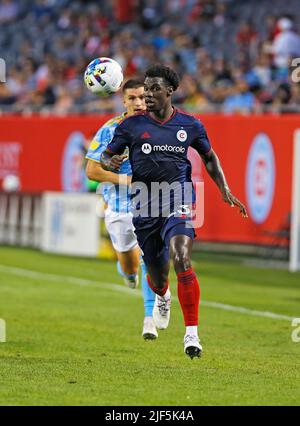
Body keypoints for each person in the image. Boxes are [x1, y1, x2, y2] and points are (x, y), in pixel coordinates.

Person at [100, 65, 248, 359]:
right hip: (143, 203)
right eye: (145, 88)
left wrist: (224, 188)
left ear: (169, 91)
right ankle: (162, 296)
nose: (147, 94)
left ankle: (191, 334)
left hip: (178, 197)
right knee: (156, 275)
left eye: (154, 88)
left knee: (181, 256)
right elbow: (107, 155)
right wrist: (109, 162)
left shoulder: (191, 125)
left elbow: (209, 157)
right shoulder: (130, 126)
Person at [86, 79, 159, 340]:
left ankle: (150, 318)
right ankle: (127, 272)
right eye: (133, 98)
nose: (139, 103)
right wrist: (124, 180)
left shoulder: (161, 126)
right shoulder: (110, 129)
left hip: (151, 202)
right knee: (129, 264)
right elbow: (92, 170)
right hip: (118, 206)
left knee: (152, 258)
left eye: (142, 97)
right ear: (124, 101)